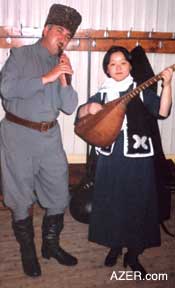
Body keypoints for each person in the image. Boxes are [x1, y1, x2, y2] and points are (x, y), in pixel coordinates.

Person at [77, 46, 173, 278]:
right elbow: (80, 115)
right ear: (107, 69)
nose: (118, 67)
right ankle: (115, 245)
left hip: (138, 158)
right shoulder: (104, 92)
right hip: (110, 158)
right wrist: (89, 107)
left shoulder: (140, 91)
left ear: (130, 66)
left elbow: (162, 111)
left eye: (123, 63)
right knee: (112, 203)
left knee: (137, 204)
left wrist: (167, 85)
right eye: (113, 63)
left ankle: (134, 254)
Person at [0, 4, 81, 277]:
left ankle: (51, 245)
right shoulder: (21, 55)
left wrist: (65, 79)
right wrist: (47, 77)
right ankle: (28, 251)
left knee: (59, 192)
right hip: (18, 135)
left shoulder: (62, 64)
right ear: (46, 30)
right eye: (60, 31)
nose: (63, 38)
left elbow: (69, 106)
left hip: (50, 137)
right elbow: (6, 88)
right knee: (20, 195)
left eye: (68, 35)